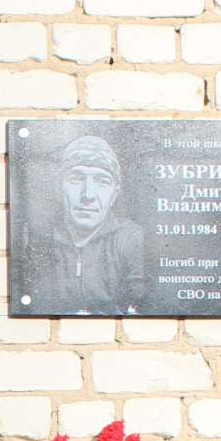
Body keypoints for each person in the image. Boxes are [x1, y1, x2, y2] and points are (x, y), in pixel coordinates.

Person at [17, 132, 150, 316]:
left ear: (115, 193)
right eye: (76, 179)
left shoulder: (131, 240)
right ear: (59, 186)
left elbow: (143, 307)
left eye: (102, 181)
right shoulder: (35, 240)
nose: (87, 195)